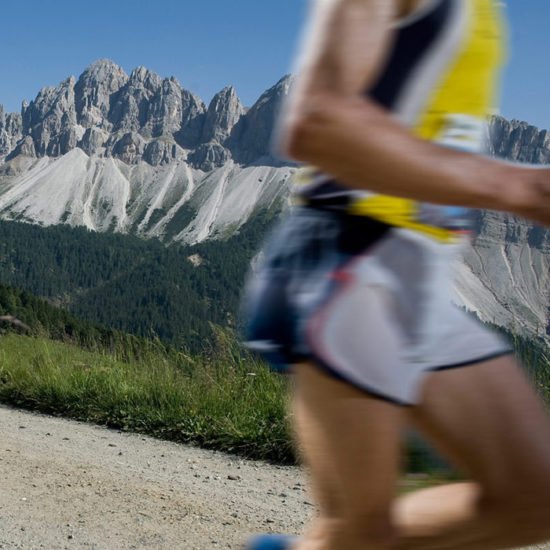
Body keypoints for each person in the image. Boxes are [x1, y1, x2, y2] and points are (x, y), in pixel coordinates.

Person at [243, 0, 550, 548]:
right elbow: (318, 122)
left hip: (422, 276)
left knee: (535, 496)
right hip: (347, 263)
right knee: (361, 528)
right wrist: (522, 189)